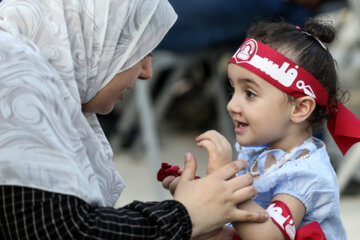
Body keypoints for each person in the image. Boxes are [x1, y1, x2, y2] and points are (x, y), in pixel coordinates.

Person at [0, 0, 270, 239]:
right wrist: (185, 216)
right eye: (142, 52)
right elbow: (64, 230)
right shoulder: (15, 79)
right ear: (101, 37)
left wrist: (189, 214)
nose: (147, 72)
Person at [164, 17, 360, 239]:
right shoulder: (259, 150)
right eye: (232, 91)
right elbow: (235, 225)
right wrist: (195, 196)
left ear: (300, 108)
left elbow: (267, 235)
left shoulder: (306, 173)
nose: (231, 105)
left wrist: (225, 178)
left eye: (249, 93)